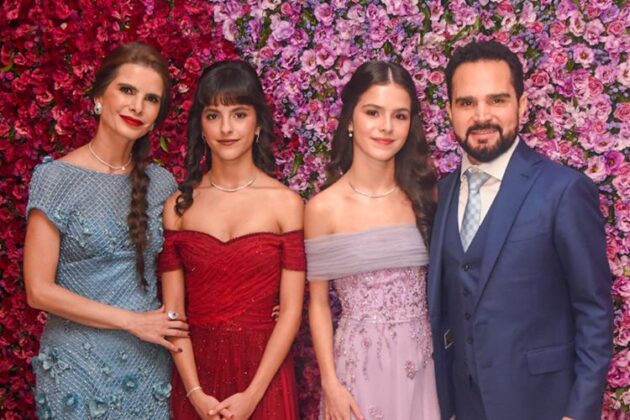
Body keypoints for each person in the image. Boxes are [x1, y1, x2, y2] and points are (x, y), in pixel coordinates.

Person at [428, 40, 613, 420]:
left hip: (543, 405)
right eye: (467, 102)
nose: (482, 116)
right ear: (449, 111)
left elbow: (594, 311)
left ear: (522, 105)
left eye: (497, 100)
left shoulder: (563, 191)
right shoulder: (441, 194)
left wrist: (578, 413)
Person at [23, 42, 186, 419]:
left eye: (151, 99)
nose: (137, 106)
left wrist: (263, 300)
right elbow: (38, 290)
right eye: (127, 90)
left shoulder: (162, 185)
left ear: (157, 115)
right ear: (99, 96)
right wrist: (132, 321)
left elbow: (189, 260)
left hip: (146, 367)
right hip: (75, 369)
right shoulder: (55, 179)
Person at [159, 60, 304, 419]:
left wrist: (252, 396)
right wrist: (195, 394)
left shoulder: (286, 204)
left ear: (257, 123)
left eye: (239, 114)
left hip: (265, 379)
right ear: (201, 125)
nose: (226, 128)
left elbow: (291, 312)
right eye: (214, 115)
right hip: (197, 378)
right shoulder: (178, 206)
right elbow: (173, 314)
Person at [306, 61, 440, 420]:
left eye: (399, 116)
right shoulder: (323, 209)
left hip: (421, 364)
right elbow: (318, 304)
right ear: (350, 119)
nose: (386, 127)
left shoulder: (426, 197)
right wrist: (330, 383)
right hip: (358, 370)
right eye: (373, 112)